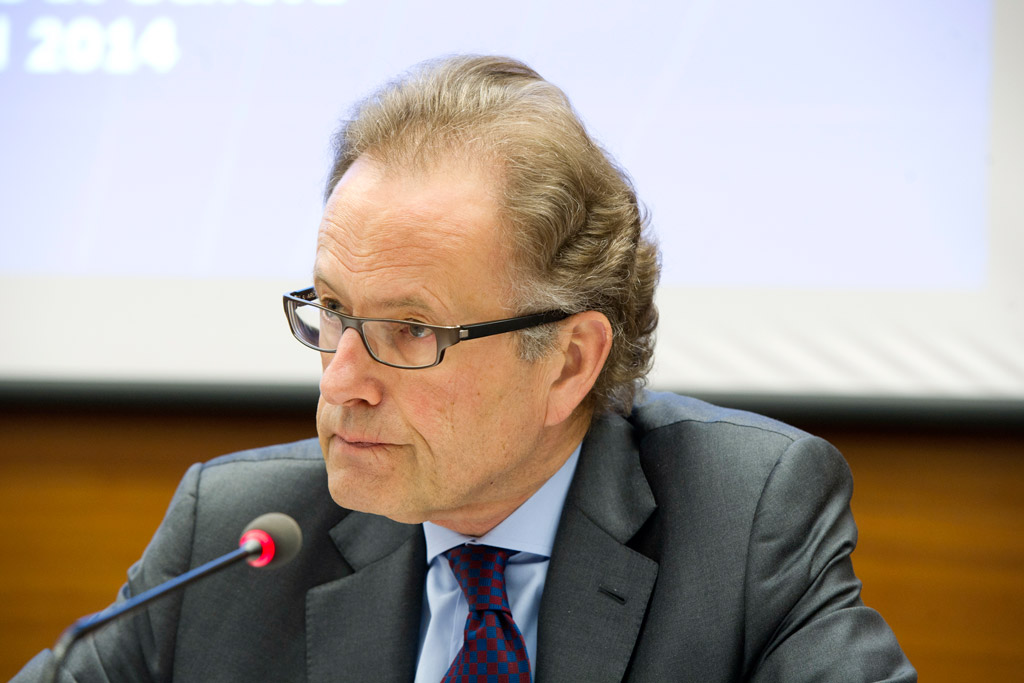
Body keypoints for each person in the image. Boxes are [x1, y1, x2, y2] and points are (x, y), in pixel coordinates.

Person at [15, 55, 915, 682]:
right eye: (334, 312)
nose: (342, 381)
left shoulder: (742, 524)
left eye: (412, 330)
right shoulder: (236, 536)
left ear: (569, 361)